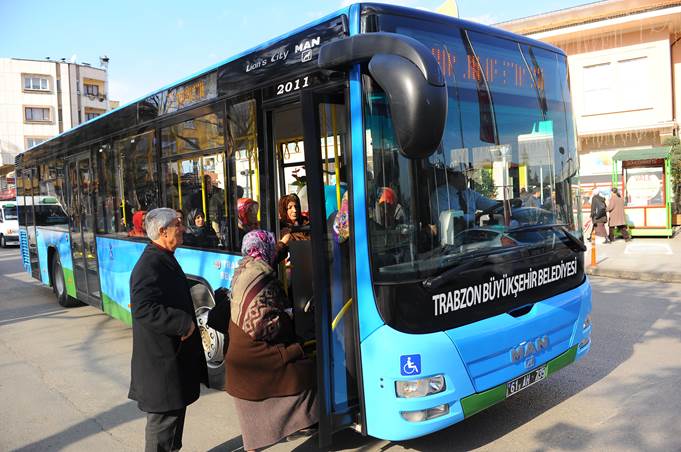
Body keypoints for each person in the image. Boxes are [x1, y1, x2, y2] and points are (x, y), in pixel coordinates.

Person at [225, 230, 317, 452]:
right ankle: (308, 421)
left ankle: (255, 446)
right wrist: (289, 317)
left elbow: (269, 255)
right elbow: (264, 325)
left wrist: (282, 245)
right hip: (256, 358)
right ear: (264, 249)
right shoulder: (263, 278)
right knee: (307, 369)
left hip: (239, 357)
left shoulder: (246, 267)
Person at [128, 208, 208, 451]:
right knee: (163, 426)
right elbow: (142, 308)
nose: (182, 228)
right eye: (177, 224)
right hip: (161, 364)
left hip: (170, 359)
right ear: (163, 231)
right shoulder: (149, 264)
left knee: (172, 427)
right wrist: (182, 323)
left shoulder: (163, 256)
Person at [430, 170, 498, 229]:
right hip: (450, 240)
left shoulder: (469, 193)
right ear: (452, 177)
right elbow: (448, 219)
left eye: (467, 176)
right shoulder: (440, 194)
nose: (468, 178)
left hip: (472, 236)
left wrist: (505, 204)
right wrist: (474, 217)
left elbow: (491, 205)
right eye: (464, 175)